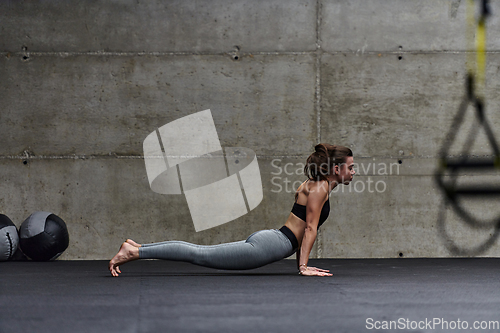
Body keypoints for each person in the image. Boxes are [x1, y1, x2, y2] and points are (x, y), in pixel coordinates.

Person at [109, 143, 355, 277]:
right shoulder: (320, 188)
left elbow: (306, 226)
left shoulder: (318, 186)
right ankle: (136, 251)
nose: (354, 172)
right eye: (351, 168)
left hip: (273, 240)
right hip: (272, 245)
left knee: (201, 253)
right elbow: (310, 228)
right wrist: (303, 267)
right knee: (201, 254)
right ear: (337, 169)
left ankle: (138, 248)